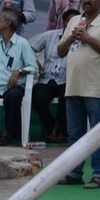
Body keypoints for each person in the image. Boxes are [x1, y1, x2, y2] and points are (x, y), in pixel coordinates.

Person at [57, 0, 100, 189]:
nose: (86, 1)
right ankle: (74, 173)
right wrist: (71, 39)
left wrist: (88, 39)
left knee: (97, 133)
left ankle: (99, 175)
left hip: (95, 87)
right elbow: (60, 51)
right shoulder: (75, 20)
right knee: (75, 133)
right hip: (73, 85)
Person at [0, 10, 37, 145]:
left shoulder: (22, 43)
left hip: (14, 86)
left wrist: (18, 71)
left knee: (13, 96)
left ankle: (8, 132)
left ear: (8, 23)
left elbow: (33, 67)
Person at [30, 9, 77, 142]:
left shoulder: (81, 39)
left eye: (76, 21)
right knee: (37, 98)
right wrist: (36, 63)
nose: (72, 24)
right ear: (64, 22)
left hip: (68, 79)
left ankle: (61, 130)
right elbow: (29, 49)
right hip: (47, 77)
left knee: (67, 98)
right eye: (69, 21)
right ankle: (51, 127)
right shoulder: (50, 35)